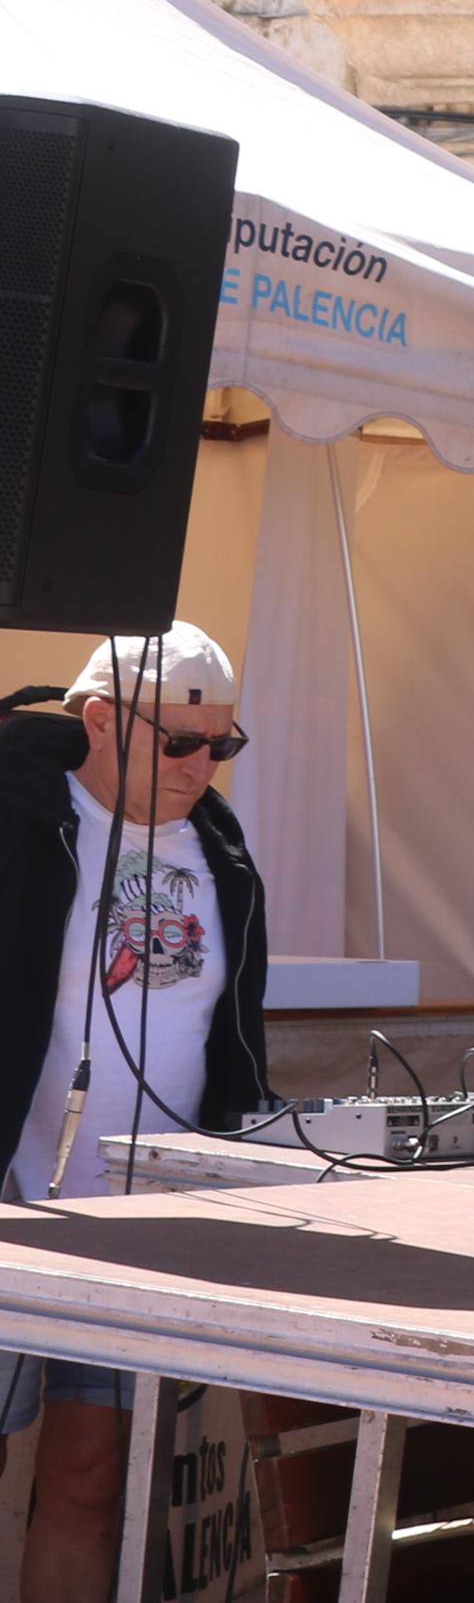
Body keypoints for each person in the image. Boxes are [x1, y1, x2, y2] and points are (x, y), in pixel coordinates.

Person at [1, 625, 271, 1603]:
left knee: (91, 1475)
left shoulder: (219, 840)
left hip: (138, 1224)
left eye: (223, 745)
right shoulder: (20, 812)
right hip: (11, 1203)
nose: (203, 765)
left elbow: (230, 1022)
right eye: (180, 741)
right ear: (105, 720)